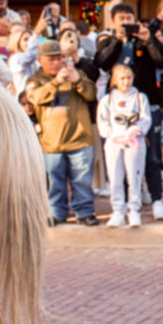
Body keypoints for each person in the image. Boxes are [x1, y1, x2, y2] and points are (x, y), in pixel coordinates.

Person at [95, 2, 163, 220]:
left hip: (145, 106)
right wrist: (118, 42)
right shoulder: (109, 42)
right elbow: (101, 63)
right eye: (121, 19)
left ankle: (156, 199)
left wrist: (147, 39)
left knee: (153, 157)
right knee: (119, 162)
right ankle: (122, 207)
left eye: (129, 18)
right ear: (113, 22)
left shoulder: (145, 40)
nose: (126, 23)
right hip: (118, 111)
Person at [26, 39, 98, 227]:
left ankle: (84, 212)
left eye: (59, 59)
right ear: (40, 60)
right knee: (55, 181)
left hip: (80, 139)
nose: (56, 63)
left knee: (82, 180)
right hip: (52, 142)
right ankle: (56, 212)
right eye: (50, 59)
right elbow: (35, 98)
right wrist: (56, 83)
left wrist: (79, 81)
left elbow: (92, 94)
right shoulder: (35, 80)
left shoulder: (77, 74)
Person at [96, 64, 151, 228]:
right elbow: (102, 121)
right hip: (114, 143)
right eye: (122, 78)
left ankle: (134, 209)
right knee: (115, 177)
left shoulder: (140, 98)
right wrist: (111, 134)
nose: (126, 82)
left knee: (134, 176)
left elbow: (145, 118)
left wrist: (136, 130)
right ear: (115, 80)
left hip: (134, 143)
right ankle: (118, 210)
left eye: (129, 78)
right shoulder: (108, 100)